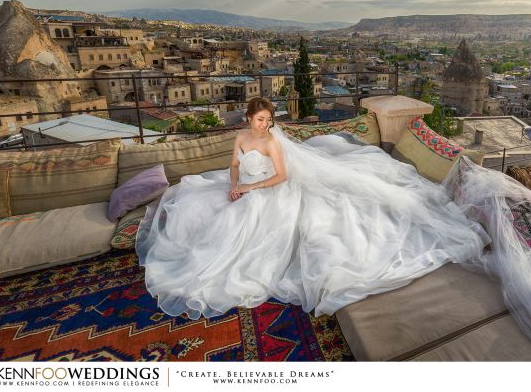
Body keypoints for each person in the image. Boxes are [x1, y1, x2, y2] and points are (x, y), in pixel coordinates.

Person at [136, 97, 489, 320]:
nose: (265, 125)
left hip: (268, 189)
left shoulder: (273, 142)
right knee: (195, 208)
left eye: (268, 120)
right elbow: (233, 164)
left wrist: (248, 188)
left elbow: (281, 177)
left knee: (256, 237)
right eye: (260, 120)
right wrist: (232, 185)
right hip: (241, 186)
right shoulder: (241, 138)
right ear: (248, 120)